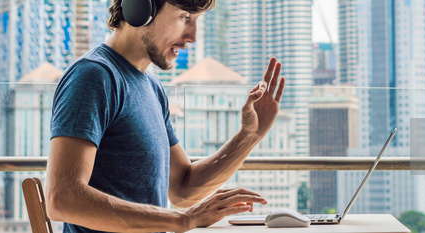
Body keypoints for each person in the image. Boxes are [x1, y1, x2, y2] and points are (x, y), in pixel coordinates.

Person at [45, 0, 286, 232]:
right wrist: (183, 220)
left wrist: (249, 136)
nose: (192, 36)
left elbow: (183, 188)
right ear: (140, 8)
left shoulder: (151, 85)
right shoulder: (93, 77)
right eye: (185, 18)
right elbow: (62, 199)